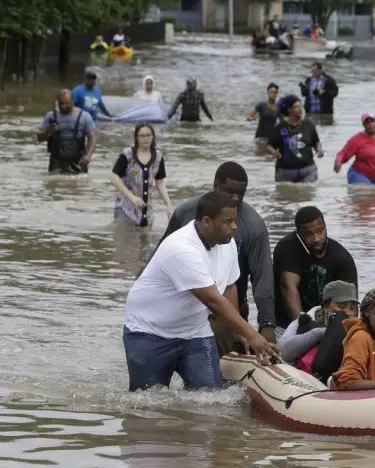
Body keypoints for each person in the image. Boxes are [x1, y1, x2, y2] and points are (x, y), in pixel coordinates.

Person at [123, 191, 279, 391]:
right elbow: (213, 300)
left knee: (209, 399)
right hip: (150, 332)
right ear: (206, 221)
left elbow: (229, 286)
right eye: (228, 221)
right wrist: (252, 335)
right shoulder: (182, 248)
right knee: (147, 404)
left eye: (235, 221)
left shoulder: (228, 243)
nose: (235, 227)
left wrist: (237, 331)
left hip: (195, 332)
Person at [157, 162, 277, 350]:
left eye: (241, 194)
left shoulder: (254, 227)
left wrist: (267, 324)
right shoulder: (185, 213)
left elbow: (263, 280)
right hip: (183, 310)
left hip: (229, 313)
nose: (236, 198)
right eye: (229, 192)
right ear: (215, 185)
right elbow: (159, 258)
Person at [273, 206, 358, 333]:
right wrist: (301, 326)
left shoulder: (342, 258)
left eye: (320, 231)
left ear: (325, 226)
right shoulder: (287, 248)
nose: (316, 238)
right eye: (308, 234)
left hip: (327, 325)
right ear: (298, 233)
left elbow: (351, 303)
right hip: (285, 324)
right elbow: (288, 286)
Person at [277, 280, 358, 371]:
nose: (348, 312)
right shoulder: (304, 320)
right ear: (326, 306)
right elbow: (282, 352)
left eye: (352, 308)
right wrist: (320, 333)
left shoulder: (357, 329)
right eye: (342, 306)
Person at [111, 123, 173, 227]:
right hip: (125, 208)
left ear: (153, 137)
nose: (146, 138)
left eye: (149, 135)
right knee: (124, 239)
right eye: (142, 136)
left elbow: (160, 183)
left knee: (144, 240)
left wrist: (168, 204)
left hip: (146, 210)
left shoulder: (158, 157)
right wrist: (132, 197)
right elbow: (114, 177)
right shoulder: (127, 155)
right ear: (136, 137)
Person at [37, 89, 96, 174]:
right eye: (61, 103)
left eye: (66, 103)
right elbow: (39, 139)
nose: (63, 106)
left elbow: (92, 138)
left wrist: (88, 156)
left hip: (78, 161)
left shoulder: (84, 116)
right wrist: (48, 131)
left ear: (72, 101)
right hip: (56, 162)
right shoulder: (50, 116)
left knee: (80, 186)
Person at [266, 94, 324, 182]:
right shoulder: (280, 128)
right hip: (285, 171)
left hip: (308, 170)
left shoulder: (309, 125)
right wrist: (273, 152)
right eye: (296, 107)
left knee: (307, 193)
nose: (300, 109)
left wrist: (319, 150)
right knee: (285, 194)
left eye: (301, 106)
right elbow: (269, 145)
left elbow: (316, 141)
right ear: (289, 110)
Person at [247, 82, 279, 149]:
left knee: (270, 158)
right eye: (271, 92)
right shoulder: (261, 105)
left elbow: (283, 120)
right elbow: (248, 117)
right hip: (260, 137)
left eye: (275, 92)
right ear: (267, 93)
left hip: (271, 138)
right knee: (260, 158)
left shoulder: (279, 107)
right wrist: (252, 118)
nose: (273, 94)